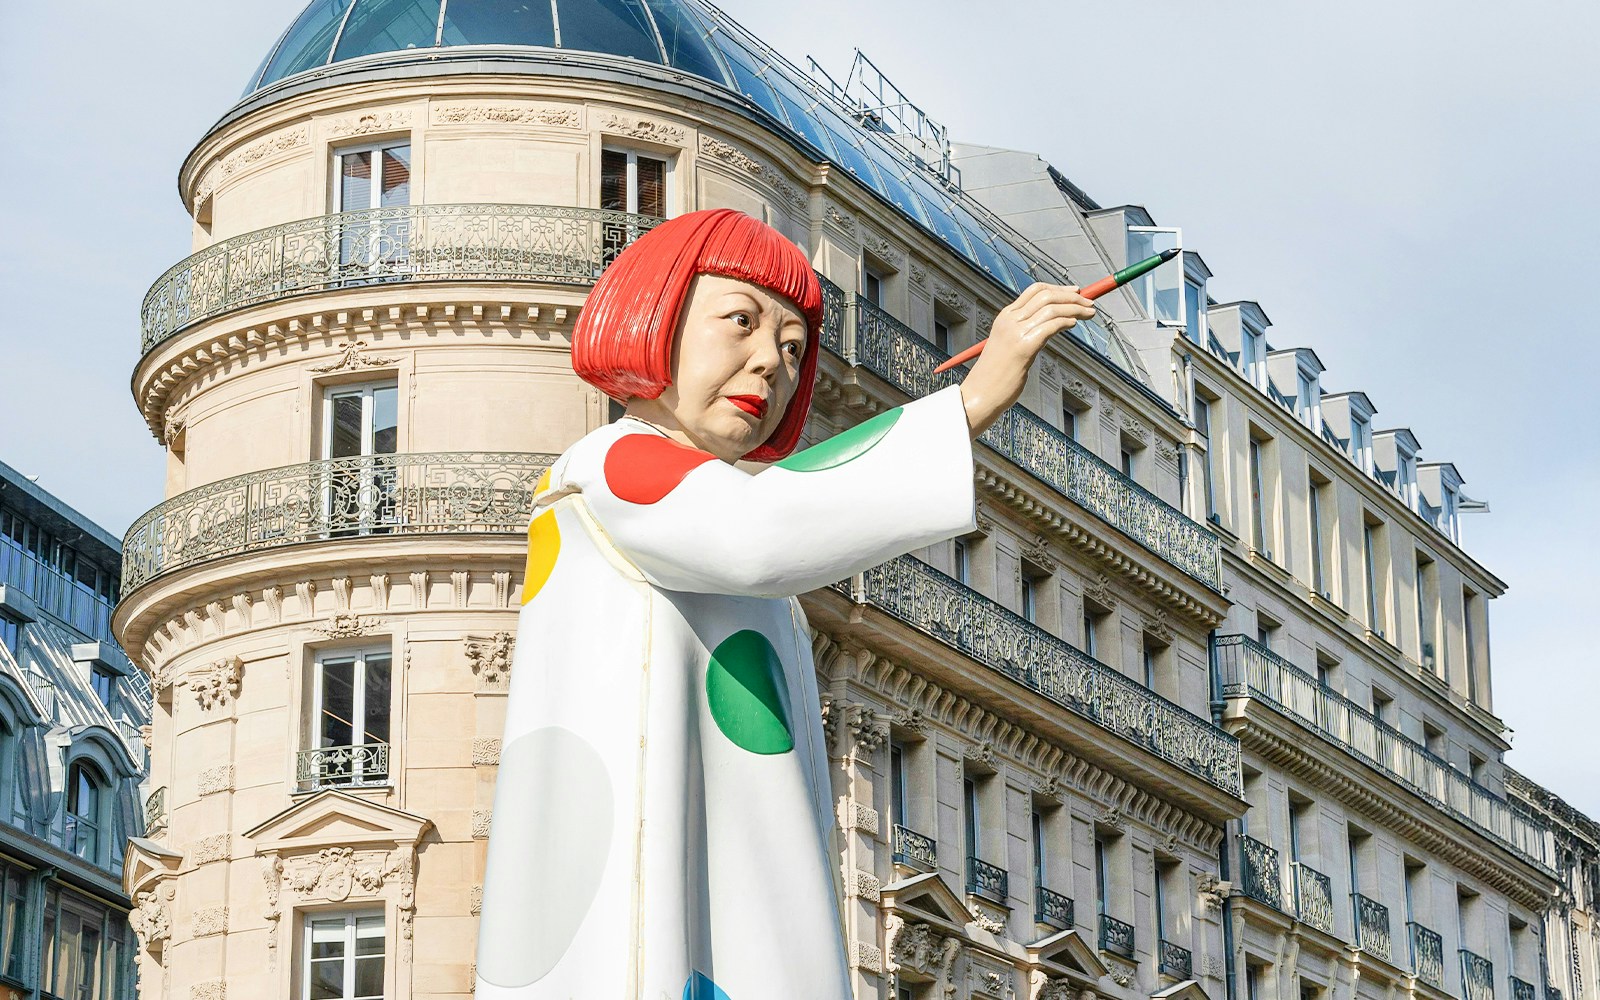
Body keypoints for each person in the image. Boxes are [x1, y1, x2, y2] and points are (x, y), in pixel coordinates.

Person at [475, 208, 1095, 1000]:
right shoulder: (614, 461)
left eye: (794, 348)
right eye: (741, 321)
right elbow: (762, 533)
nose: (771, 361)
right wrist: (966, 405)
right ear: (653, 315)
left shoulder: (699, 496)